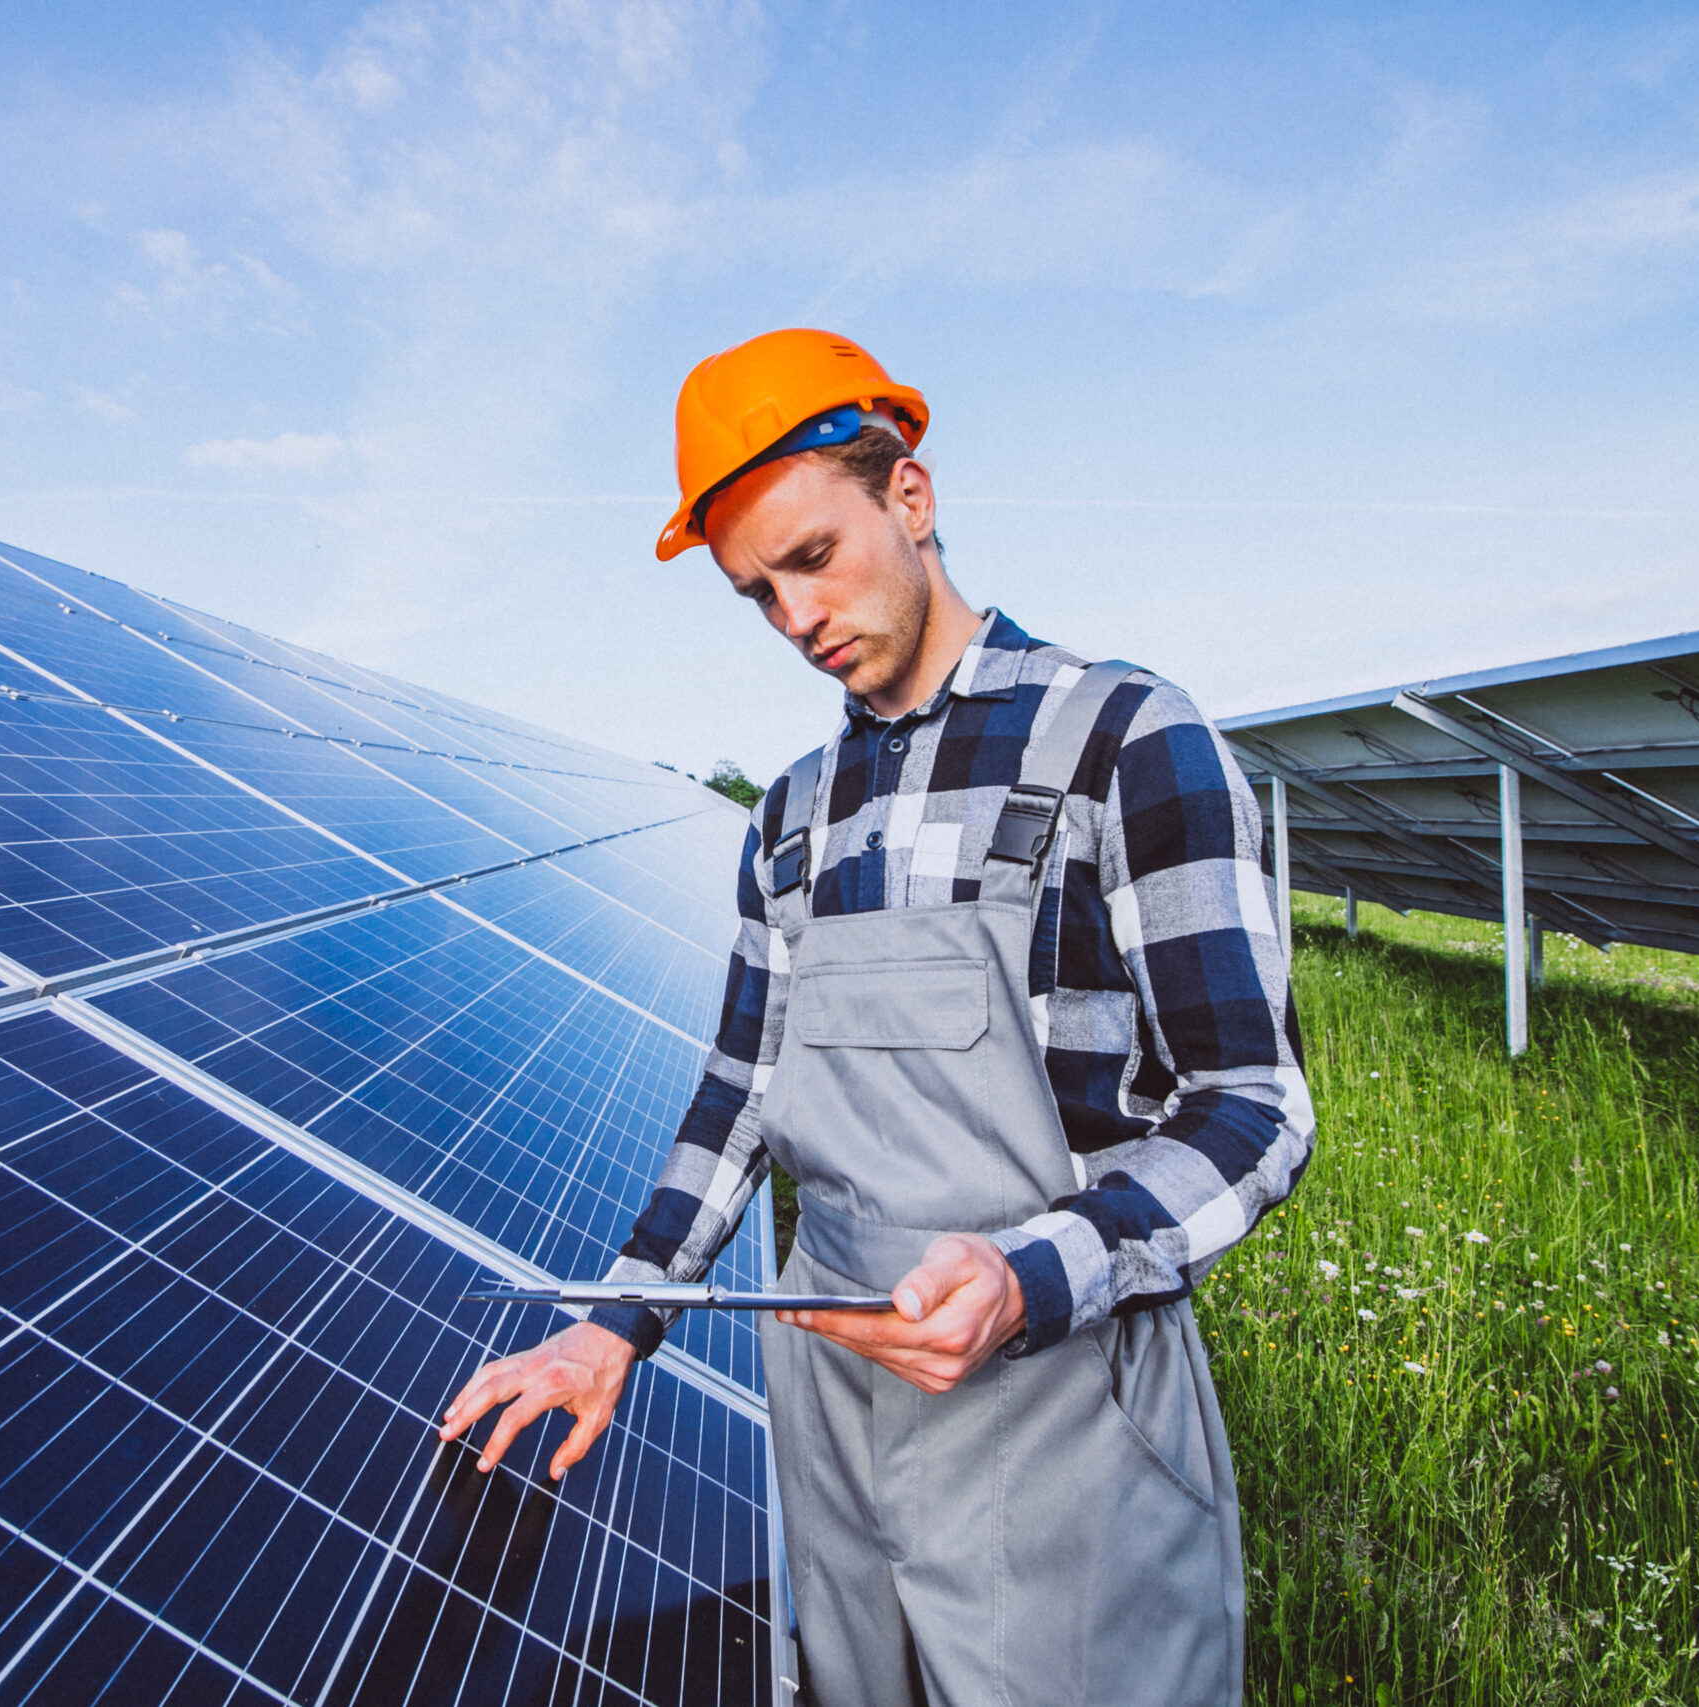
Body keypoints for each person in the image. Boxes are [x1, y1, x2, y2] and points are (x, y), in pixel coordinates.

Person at [439, 327, 1314, 1707]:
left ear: (909, 496)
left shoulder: (1127, 741)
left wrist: (1035, 1274)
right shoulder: (788, 819)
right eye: (755, 594)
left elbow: (1253, 1111)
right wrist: (613, 1324)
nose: (795, 618)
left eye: (812, 558)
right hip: (835, 1418)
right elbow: (741, 1094)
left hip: (1060, 1419)